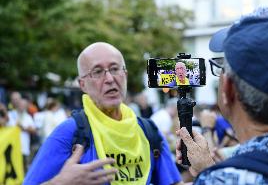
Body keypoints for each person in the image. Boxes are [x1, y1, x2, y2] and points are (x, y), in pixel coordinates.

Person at [24, 42, 182, 185]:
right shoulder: (69, 133)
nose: (109, 79)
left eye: (114, 69)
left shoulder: (148, 131)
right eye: (97, 72)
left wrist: (203, 169)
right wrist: (59, 183)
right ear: (82, 84)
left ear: (125, 76)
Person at [176, 7, 268, 184]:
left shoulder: (223, 179)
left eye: (221, 66)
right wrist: (208, 168)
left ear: (228, 89)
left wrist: (210, 176)